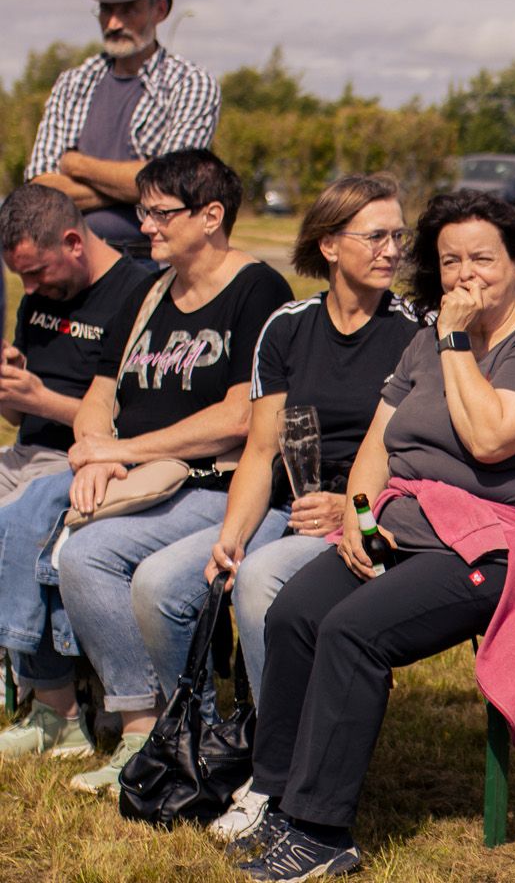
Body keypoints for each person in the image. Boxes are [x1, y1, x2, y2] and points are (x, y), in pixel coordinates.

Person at [235, 190, 515, 881]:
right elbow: (381, 437)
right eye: (450, 260)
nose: (465, 275)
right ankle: (276, 798)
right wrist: (360, 516)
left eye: (482, 259)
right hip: (407, 525)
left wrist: (457, 340)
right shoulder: (423, 340)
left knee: (355, 631)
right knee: (296, 615)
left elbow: (491, 438)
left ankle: (320, 833)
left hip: (502, 545)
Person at [104, 176, 419, 840]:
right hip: (287, 503)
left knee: (261, 581)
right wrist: (230, 533)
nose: (393, 249)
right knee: (159, 585)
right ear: (330, 244)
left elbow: (414, 455)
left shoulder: (411, 333)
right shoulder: (289, 327)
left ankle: (279, 773)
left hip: (369, 515)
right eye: (377, 235)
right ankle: (219, 743)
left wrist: (349, 507)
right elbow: (258, 450)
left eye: (399, 235)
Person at [0, 150, 291, 792]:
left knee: (91, 554)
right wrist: (94, 447)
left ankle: (159, 726)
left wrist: (125, 453)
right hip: (138, 471)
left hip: (216, 481)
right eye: (144, 212)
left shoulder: (257, 289)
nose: (145, 227)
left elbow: (242, 415)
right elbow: (103, 387)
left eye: (159, 213)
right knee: (75, 545)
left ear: (211, 216)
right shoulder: (152, 289)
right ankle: (127, 722)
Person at [0, 187, 153, 761]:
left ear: (72, 241)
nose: (31, 289)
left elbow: (128, 418)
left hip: (92, 461)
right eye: (20, 277)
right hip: (28, 450)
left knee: (19, 519)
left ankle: (54, 705)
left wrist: (40, 398)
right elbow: (19, 414)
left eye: (38, 274)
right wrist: (12, 386)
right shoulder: (37, 291)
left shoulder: (136, 294)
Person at [27, 0, 221, 263]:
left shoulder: (190, 84)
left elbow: (170, 189)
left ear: (159, 10)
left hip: (146, 264)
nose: (114, 23)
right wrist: (135, 185)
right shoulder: (74, 82)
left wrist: (75, 165)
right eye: (106, 9)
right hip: (70, 261)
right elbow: (41, 191)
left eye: (128, 9)